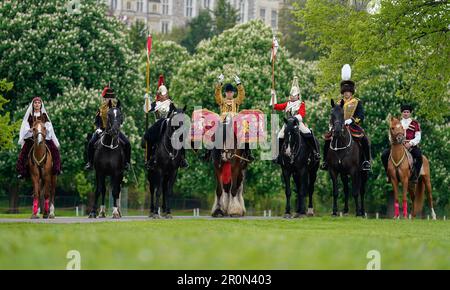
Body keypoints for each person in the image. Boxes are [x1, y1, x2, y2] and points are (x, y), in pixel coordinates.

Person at [321, 64, 372, 171]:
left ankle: (366, 161)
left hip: (353, 126)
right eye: (345, 92)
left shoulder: (357, 102)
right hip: (339, 126)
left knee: (364, 139)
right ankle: (326, 161)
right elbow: (333, 117)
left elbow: (361, 116)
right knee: (327, 140)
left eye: (348, 92)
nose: (346, 94)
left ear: (351, 92)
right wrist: (331, 125)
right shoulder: (338, 103)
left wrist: (352, 120)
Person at [270, 76, 320, 164]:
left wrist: (294, 118)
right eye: (291, 95)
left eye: (295, 95)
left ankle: (315, 152)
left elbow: (302, 114)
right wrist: (273, 96)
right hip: (287, 124)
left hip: (297, 123)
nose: (293, 97)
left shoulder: (301, 104)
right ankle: (277, 155)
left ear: (298, 96)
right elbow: (276, 106)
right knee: (280, 136)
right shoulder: (287, 104)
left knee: (308, 133)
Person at [144, 75, 189, 169]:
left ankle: (182, 158)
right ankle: (150, 159)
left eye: (165, 94)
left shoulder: (170, 103)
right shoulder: (155, 104)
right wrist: (146, 100)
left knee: (182, 135)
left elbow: (174, 112)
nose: (164, 96)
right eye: (162, 94)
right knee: (148, 136)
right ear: (159, 95)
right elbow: (147, 110)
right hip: (158, 124)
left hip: (169, 123)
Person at [85, 85, 131, 170]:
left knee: (127, 143)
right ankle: (90, 162)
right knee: (91, 143)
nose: (107, 100)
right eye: (106, 98)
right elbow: (97, 120)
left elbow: (121, 120)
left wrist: (117, 126)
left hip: (115, 131)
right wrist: (98, 128)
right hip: (102, 130)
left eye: (109, 98)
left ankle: (126, 163)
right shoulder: (101, 109)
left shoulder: (117, 108)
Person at [17, 96, 61, 179]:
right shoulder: (29, 116)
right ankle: (22, 172)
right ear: (33, 105)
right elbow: (25, 127)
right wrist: (30, 130)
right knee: (23, 153)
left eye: (39, 103)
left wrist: (44, 129)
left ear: (41, 105)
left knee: (55, 150)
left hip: (43, 137)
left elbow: (49, 127)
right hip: (32, 138)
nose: (37, 104)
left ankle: (56, 169)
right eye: (35, 103)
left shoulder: (44, 115)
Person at [215, 74, 253, 161]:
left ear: (233, 93)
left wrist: (239, 84)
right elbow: (217, 95)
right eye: (227, 92)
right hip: (223, 120)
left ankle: (248, 152)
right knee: (213, 131)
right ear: (225, 93)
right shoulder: (222, 101)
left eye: (231, 92)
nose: (229, 94)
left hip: (235, 121)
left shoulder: (236, 101)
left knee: (246, 131)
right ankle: (208, 153)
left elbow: (242, 95)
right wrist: (219, 83)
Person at [381, 104, 422, 182]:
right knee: (384, 155)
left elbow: (418, 136)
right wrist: (394, 142)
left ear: (410, 113)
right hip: (398, 145)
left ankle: (415, 175)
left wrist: (410, 143)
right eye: (404, 112)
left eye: (407, 112)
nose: (406, 113)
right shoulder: (397, 122)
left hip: (411, 146)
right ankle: (388, 174)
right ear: (402, 113)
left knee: (419, 156)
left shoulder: (415, 123)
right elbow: (391, 134)